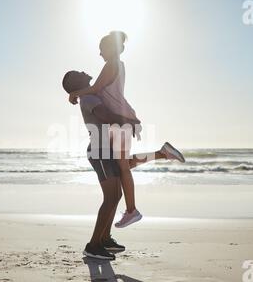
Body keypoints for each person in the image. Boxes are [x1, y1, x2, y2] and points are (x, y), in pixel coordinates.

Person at [62, 70, 185, 260]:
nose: (83, 71)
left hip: (106, 150)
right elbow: (107, 116)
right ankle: (93, 245)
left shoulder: (91, 95)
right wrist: (131, 121)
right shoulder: (88, 99)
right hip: (99, 151)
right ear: (75, 83)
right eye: (77, 73)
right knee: (111, 197)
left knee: (120, 185)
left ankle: (104, 239)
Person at [68, 31, 185, 228]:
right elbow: (100, 90)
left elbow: (96, 88)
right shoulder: (116, 65)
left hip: (120, 119)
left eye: (101, 50)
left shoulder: (112, 64)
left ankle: (132, 210)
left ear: (111, 49)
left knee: (122, 167)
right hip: (122, 118)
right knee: (121, 165)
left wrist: (76, 92)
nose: (99, 54)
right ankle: (162, 153)